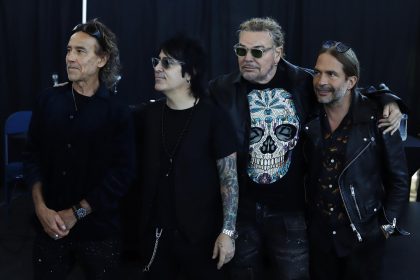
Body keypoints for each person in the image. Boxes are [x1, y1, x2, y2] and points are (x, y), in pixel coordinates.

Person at [208, 17, 403, 280]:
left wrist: (389, 99)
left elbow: (345, 89)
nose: (247, 57)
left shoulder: (303, 82)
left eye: (257, 51)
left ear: (277, 53)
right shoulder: (221, 89)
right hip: (243, 210)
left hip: (292, 212)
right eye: (241, 50)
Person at [23, 19, 135, 279]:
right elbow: (32, 156)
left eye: (80, 51)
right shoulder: (47, 100)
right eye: (68, 50)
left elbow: (123, 173)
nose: (70, 58)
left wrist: (78, 212)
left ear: (102, 59)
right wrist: (41, 208)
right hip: (49, 226)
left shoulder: (117, 111)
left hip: (99, 231)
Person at [135, 35, 239, 279]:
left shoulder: (214, 116)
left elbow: (230, 181)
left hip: (202, 238)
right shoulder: (148, 115)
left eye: (167, 63)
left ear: (190, 71)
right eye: (156, 61)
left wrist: (228, 232)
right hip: (157, 236)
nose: (157, 68)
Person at [304, 40, 409, 280]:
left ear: (351, 81)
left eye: (332, 74)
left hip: (363, 239)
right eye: (318, 72)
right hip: (319, 240)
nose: (321, 81)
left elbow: (400, 182)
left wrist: (385, 227)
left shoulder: (379, 117)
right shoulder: (308, 113)